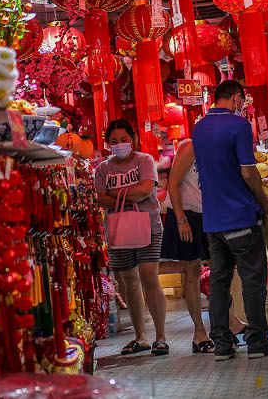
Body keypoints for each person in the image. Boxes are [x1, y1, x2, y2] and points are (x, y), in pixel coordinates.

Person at [191, 79, 268, 362]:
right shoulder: (239, 125)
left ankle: (222, 343)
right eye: (242, 101)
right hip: (240, 216)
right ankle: (257, 341)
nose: (243, 106)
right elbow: (248, 172)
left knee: (220, 283)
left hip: (212, 221)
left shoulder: (199, 128)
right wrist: (262, 199)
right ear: (236, 98)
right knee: (252, 279)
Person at [94, 119, 169, 357]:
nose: (119, 145)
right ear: (107, 144)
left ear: (133, 139)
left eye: (124, 140)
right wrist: (129, 195)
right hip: (118, 230)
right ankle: (140, 337)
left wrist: (114, 194)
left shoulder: (144, 160)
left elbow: (145, 191)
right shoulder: (103, 168)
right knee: (129, 282)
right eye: (114, 141)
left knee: (149, 277)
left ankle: (160, 337)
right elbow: (100, 199)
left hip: (148, 226)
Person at [161, 140, 214, 353]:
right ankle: (199, 333)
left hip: (208, 213)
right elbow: (172, 183)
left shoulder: (221, 145)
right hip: (186, 214)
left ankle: (229, 322)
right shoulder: (190, 146)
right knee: (192, 272)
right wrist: (182, 220)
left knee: (220, 269)